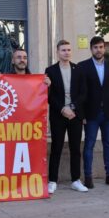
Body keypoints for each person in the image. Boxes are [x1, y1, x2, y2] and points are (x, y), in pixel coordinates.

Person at [78, 36, 109, 188]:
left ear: (104, 48)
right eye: (96, 47)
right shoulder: (83, 66)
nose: (99, 50)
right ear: (91, 49)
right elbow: (80, 92)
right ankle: (88, 177)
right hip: (91, 114)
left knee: (108, 144)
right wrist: (81, 115)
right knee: (89, 144)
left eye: (101, 47)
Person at [45, 40, 87, 194]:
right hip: (58, 115)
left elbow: (83, 93)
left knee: (75, 148)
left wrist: (72, 107)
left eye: (69, 49)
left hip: (75, 115)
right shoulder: (50, 70)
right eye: (63, 50)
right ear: (58, 52)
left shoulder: (79, 69)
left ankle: (76, 180)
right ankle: (52, 180)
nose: (66, 52)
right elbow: (50, 96)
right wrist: (62, 108)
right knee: (56, 147)